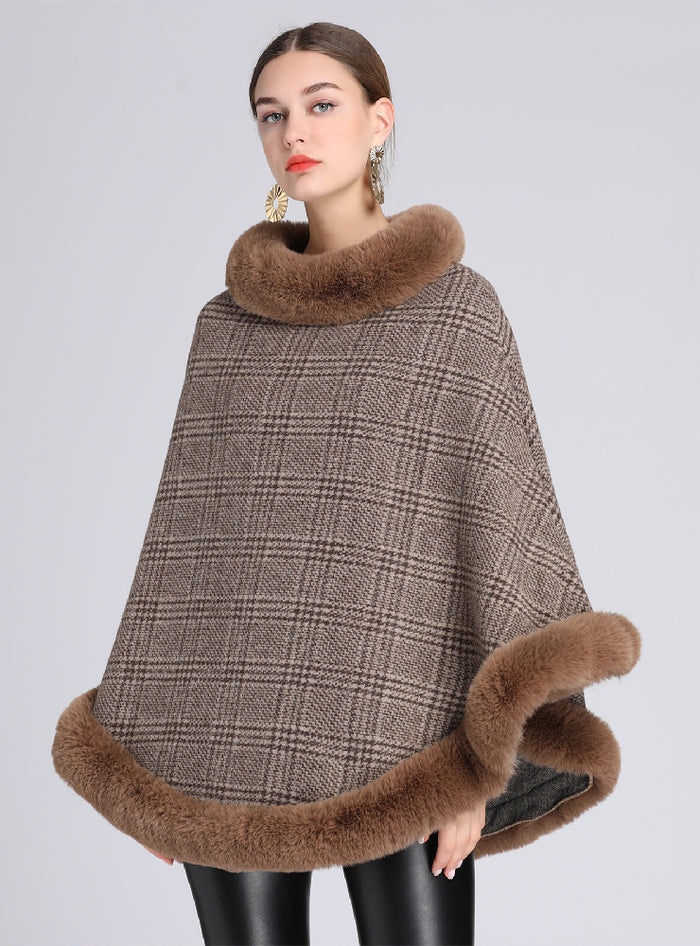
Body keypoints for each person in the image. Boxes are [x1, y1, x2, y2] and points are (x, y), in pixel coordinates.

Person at [51, 21, 641, 946]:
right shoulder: (226, 331)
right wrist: (155, 767)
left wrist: (476, 766)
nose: (295, 131)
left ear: (379, 120)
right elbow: (187, 557)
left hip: (402, 732)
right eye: (271, 113)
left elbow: (499, 528)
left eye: (321, 104)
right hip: (229, 734)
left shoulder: (457, 314)